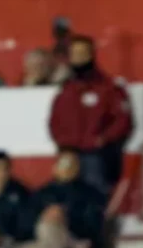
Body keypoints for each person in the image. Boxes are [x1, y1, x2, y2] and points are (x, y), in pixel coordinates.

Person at [49, 35, 134, 195]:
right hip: (68, 155)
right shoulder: (66, 90)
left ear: (92, 55)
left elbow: (122, 122)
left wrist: (102, 140)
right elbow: (55, 121)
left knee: (94, 200)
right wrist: (63, 145)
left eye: (83, 53)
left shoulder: (109, 88)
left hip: (96, 157)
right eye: (74, 54)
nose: (78, 58)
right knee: (65, 199)